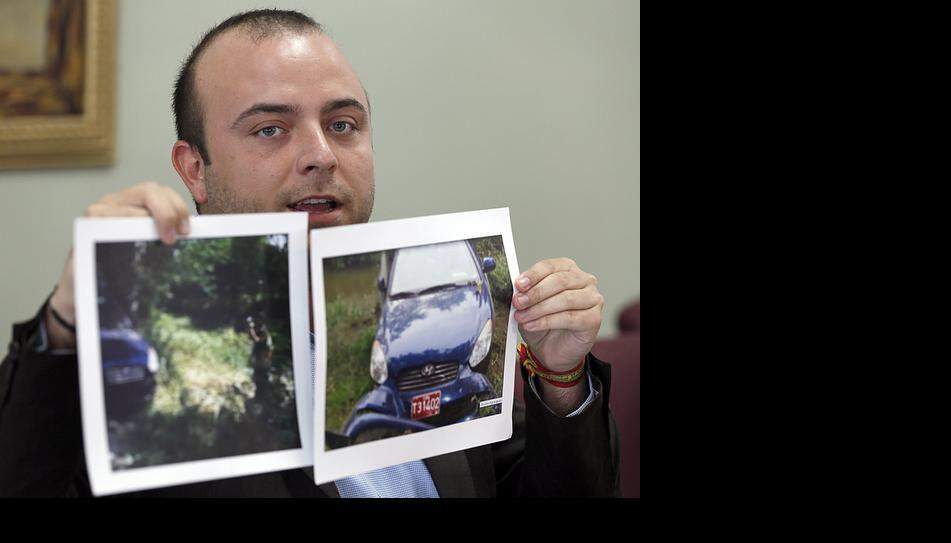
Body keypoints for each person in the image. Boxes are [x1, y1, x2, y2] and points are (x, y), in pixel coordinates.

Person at [0, 10, 617, 498]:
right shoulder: (131, 347)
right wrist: (64, 328)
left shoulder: (429, 317)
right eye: (271, 129)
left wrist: (561, 378)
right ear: (195, 169)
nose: (321, 154)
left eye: (343, 124)